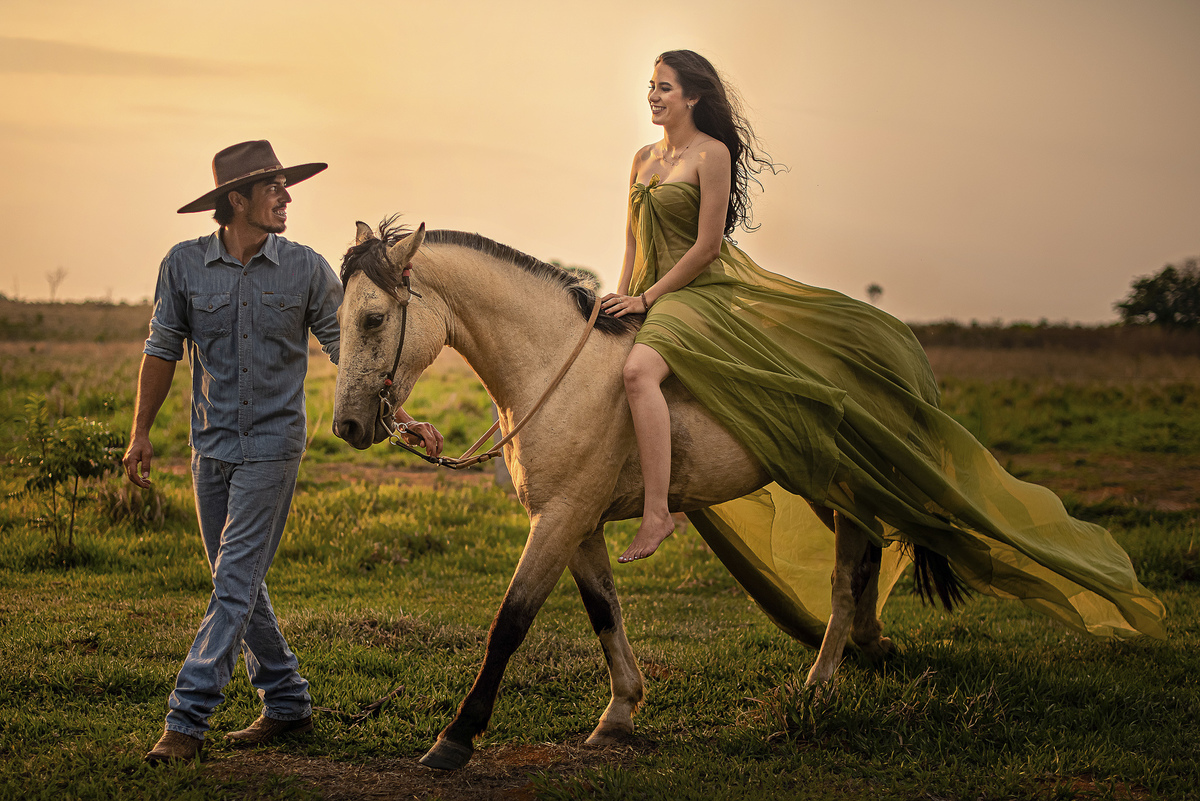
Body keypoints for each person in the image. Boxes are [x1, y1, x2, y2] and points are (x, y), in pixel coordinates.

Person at [600, 52, 1164, 644]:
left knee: (639, 372)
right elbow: (632, 244)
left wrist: (651, 301)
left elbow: (708, 248)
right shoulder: (642, 159)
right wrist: (619, 300)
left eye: (664, 88)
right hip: (648, 295)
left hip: (698, 297)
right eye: (651, 86)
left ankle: (661, 512)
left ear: (693, 97)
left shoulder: (712, 155)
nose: (653, 96)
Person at [126, 140, 443, 764]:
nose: (287, 196)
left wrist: (398, 418)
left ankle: (185, 720)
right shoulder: (183, 265)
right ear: (235, 201)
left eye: (284, 185)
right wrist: (141, 432)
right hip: (209, 446)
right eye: (272, 187)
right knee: (236, 582)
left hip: (274, 445)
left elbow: (345, 349)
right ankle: (289, 700)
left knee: (234, 580)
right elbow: (162, 349)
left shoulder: (305, 268)